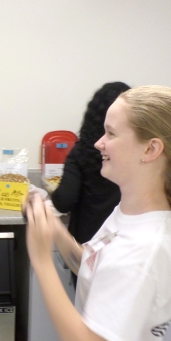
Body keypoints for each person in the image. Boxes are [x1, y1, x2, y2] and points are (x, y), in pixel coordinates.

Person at [24, 85, 171, 341]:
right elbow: (95, 268)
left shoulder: (142, 248)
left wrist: (40, 260)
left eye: (111, 133)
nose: (99, 143)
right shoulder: (131, 213)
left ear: (151, 149)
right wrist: (54, 230)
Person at [51, 81, 130, 261]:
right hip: (120, 243)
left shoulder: (82, 151)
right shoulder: (132, 157)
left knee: (87, 286)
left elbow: (63, 200)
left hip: (85, 241)